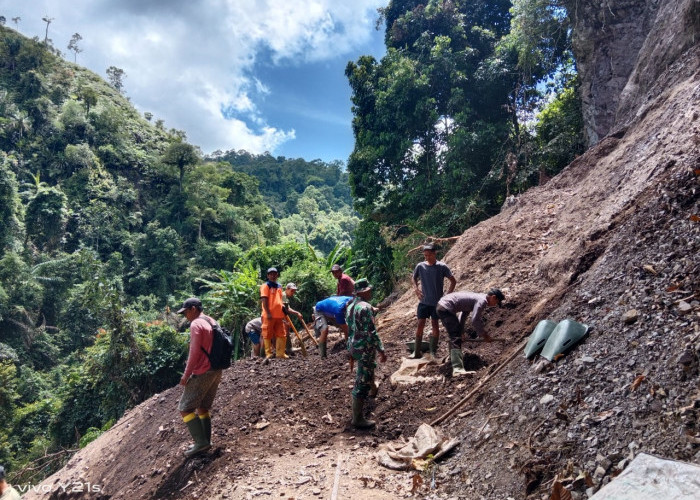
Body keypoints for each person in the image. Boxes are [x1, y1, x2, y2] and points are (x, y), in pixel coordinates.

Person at [177, 297, 223, 457]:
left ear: (194, 309)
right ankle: (206, 442)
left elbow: (194, 352)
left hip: (202, 370)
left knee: (185, 408)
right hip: (216, 368)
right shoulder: (211, 320)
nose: (185, 316)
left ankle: (201, 442)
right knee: (203, 407)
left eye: (186, 312)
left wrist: (186, 374)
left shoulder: (196, 323)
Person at [346, 278, 387, 429]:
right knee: (362, 380)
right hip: (364, 347)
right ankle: (357, 418)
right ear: (364, 292)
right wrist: (381, 349)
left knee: (367, 370)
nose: (371, 292)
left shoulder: (351, 306)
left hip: (354, 346)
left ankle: (372, 389)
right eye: (369, 290)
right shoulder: (365, 308)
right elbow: (372, 332)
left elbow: (351, 327)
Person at [436, 289, 505, 376]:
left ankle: (453, 360)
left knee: (455, 334)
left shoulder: (476, 298)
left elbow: (463, 314)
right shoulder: (482, 301)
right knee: (455, 337)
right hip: (446, 307)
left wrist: (461, 331)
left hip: (442, 306)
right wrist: (484, 335)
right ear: (493, 297)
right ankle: (457, 369)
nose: (494, 305)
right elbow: (475, 320)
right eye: (496, 302)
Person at [411, 243, 456, 358]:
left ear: (435, 253)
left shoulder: (442, 267)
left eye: (429, 255)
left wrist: (447, 296)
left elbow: (453, 281)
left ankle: (432, 352)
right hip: (423, 302)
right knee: (420, 324)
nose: (427, 257)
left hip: (436, 303)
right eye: (425, 256)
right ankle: (416, 352)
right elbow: (413, 278)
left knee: (434, 325)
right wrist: (416, 289)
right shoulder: (420, 266)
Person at [260, 267, 287, 359]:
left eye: (274, 274)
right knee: (267, 333)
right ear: (268, 276)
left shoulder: (279, 286)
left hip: (279, 315)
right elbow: (264, 299)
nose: (273, 275)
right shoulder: (265, 286)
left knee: (281, 333)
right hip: (269, 315)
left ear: (277, 275)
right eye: (271, 274)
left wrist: (282, 307)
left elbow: (280, 299)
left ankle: (280, 353)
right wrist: (267, 312)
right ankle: (269, 353)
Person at [283, 282, 304, 356]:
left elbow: (287, 308)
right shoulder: (283, 295)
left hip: (283, 316)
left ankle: (288, 348)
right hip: (279, 316)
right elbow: (286, 310)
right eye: (292, 290)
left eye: (294, 291)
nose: (293, 293)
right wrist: (297, 313)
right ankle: (286, 349)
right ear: (287, 289)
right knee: (284, 331)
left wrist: (297, 313)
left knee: (286, 330)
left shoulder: (285, 296)